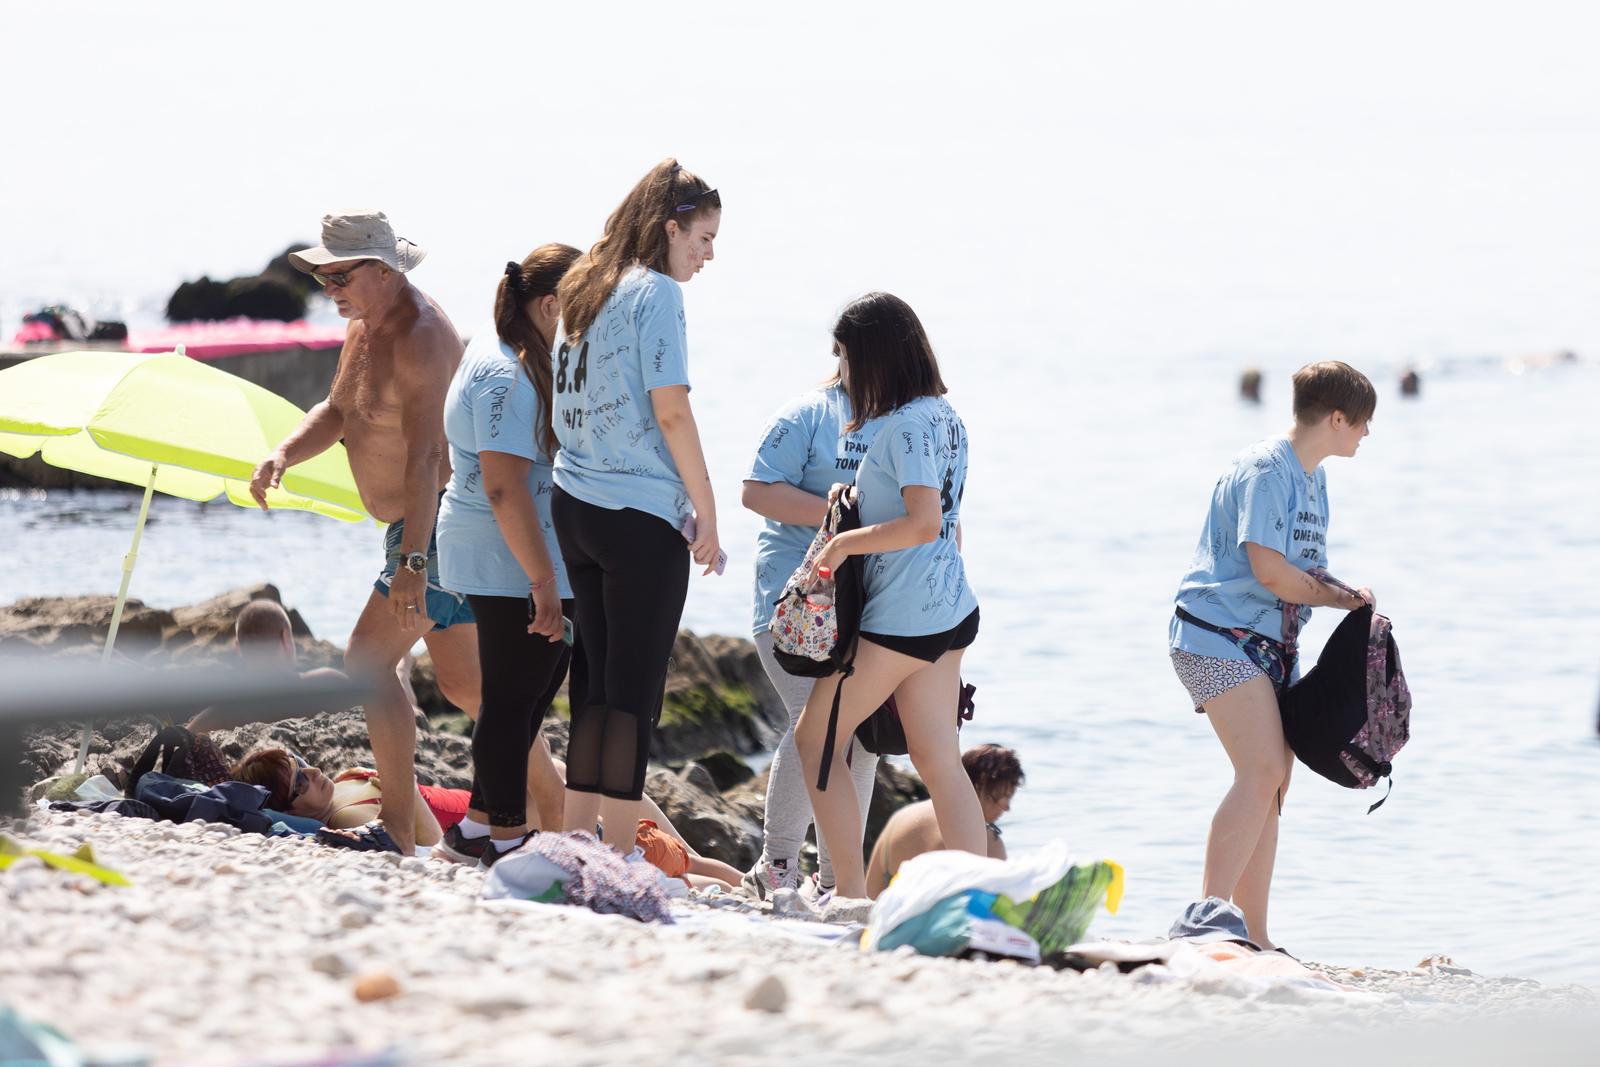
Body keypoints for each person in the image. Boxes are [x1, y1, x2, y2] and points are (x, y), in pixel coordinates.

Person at [249, 210, 474, 856]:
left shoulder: (423, 338)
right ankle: (544, 818)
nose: (328, 287)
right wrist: (284, 453)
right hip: (414, 529)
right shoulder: (362, 330)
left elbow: (428, 457)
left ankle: (399, 829)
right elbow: (338, 412)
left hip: (435, 523)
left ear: (383, 270)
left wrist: (412, 561)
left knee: (367, 661)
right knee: (473, 689)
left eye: (339, 274)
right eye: (322, 275)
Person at [1169, 360, 1377, 951]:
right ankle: (1203, 923)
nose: (1366, 434)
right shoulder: (1268, 469)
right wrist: (1337, 598)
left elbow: (1304, 571)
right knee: (1259, 773)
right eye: (1363, 422)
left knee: (1274, 781)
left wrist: (1349, 596)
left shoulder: (1315, 477)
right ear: (1337, 417)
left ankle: (1253, 935)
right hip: (1214, 634)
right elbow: (1269, 570)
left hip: (1268, 646)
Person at [549, 159, 722, 854]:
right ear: (670, 228)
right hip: (636, 518)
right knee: (634, 695)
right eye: (702, 238)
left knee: (593, 685)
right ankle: (618, 852)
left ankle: (573, 842)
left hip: (575, 506)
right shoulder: (656, 294)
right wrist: (707, 514)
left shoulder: (585, 282)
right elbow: (672, 411)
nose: (709, 254)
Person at [793, 292, 986, 901]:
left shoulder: (903, 426)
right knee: (938, 761)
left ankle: (848, 893)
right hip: (949, 611)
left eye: (843, 355)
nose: (841, 371)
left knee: (815, 738)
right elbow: (947, 523)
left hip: (903, 620)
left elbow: (924, 521)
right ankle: (976, 898)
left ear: (871, 357)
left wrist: (844, 544)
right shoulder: (943, 415)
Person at [434, 243, 582, 868]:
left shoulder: (516, 355)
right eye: (586, 307)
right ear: (550, 306)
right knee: (513, 697)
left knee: (532, 686)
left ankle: (476, 825)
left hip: (517, 553)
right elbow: (501, 485)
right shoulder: (506, 375)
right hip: (506, 557)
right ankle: (508, 840)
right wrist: (542, 580)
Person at [740, 363, 882, 900]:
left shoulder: (900, 418)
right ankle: (777, 866)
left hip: (863, 605)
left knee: (861, 743)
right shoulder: (806, 414)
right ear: (845, 353)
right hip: (793, 598)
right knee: (814, 726)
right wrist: (836, 515)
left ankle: (833, 877)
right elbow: (755, 491)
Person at [234, 745, 739, 888]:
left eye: (304, 764)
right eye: (299, 782)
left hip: (514, 804)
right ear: (287, 807)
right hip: (517, 818)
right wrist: (401, 784)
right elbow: (433, 843)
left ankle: (737, 880)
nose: (313, 773)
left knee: (681, 860)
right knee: (677, 863)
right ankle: (743, 883)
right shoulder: (347, 817)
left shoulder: (343, 783)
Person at [864, 744, 1023, 898]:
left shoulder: (902, 817)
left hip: (886, 918)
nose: (1007, 807)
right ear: (982, 783)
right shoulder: (985, 840)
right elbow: (997, 905)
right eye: (1005, 796)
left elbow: (870, 891)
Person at [185, 599, 350, 734]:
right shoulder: (329, 684)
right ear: (285, 637)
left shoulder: (222, 713)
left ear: (239, 648)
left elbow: (180, 745)